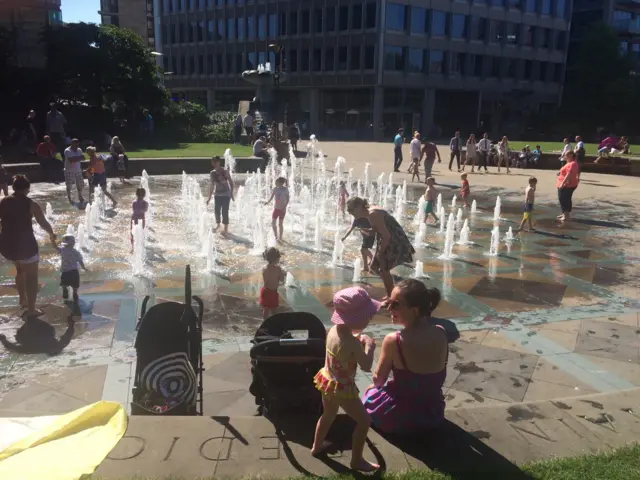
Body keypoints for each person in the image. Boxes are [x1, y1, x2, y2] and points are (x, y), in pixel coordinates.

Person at [363, 280, 454, 434]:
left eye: (396, 304)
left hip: (398, 417)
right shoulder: (441, 332)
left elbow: (378, 380)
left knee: (369, 393)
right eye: (388, 302)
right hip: (432, 414)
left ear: (415, 310)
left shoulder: (394, 340)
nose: (389, 308)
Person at [312, 286, 380, 472]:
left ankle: (316, 447)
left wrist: (357, 338)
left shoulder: (334, 330)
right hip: (343, 388)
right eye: (367, 316)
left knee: (328, 415)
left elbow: (344, 346)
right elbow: (366, 365)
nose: (370, 319)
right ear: (356, 318)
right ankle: (356, 460)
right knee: (364, 421)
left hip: (327, 381)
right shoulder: (352, 343)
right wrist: (369, 346)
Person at [0, 175, 57, 319]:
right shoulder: (31, 204)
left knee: (19, 270)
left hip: (7, 245)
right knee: (32, 277)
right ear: (27, 189)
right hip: (26, 246)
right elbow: (43, 222)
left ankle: (22, 300)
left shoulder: (3, 202)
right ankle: (31, 309)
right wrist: (51, 234)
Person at [346, 197, 415, 299]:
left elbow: (387, 235)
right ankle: (393, 288)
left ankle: (391, 297)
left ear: (359, 207)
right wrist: (369, 231)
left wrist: (380, 253)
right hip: (388, 238)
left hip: (392, 240)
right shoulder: (370, 211)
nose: (351, 213)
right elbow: (380, 227)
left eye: (352, 210)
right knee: (374, 267)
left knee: (383, 269)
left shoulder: (372, 214)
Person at [206, 156, 234, 235]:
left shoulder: (225, 171)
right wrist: (209, 198)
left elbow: (231, 182)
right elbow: (212, 185)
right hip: (217, 194)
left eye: (215, 161)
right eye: (213, 162)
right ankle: (218, 225)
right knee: (217, 211)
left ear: (219, 162)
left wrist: (231, 193)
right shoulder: (212, 173)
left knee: (225, 211)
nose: (214, 163)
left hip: (226, 194)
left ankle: (225, 228)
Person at [58, 234, 87, 303]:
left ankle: (66, 290)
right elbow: (80, 261)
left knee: (64, 283)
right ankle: (74, 293)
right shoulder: (76, 252)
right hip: (74, 272)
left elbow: (55, 247)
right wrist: (84, 268)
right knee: (75, 285)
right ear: (73, 243)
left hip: (65, 271)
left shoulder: (62, 250)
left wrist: (52, 240)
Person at [259, 247, 286, 319]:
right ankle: (275, 322)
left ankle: (264, 324)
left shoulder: (264, 268)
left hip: (265, 291)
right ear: (277, 259)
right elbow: (282, 280)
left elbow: (267, 279)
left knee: (266, 309)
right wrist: (283, 273)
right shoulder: (278, 269)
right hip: (273, 292)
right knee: (274, 309)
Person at [264, 177, 290, 241]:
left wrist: (285, 207)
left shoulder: (285, 189)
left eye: (276, 182)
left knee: (280, 224)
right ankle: (276, 236)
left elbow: (288, 199)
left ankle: (280, 237)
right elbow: (272, 196)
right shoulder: (275, 189)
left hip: (282, 209)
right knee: (273, 223)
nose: (275, 183)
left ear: (281, 183)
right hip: (276, 209)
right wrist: (268, 202)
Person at [557, 151, 580, 222]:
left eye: (566, 155)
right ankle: (565, 213)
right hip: (568, 184)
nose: (565, 156)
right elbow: (567, 171)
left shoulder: (573, 163)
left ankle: (566, 216)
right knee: (566, 199)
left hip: (567, 185)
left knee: (563, 199)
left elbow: (569, 174)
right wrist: (560, 172)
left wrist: (563, 183)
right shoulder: (570, 163)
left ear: (571, 155)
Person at [63, 138, 85, 204]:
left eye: (77, 145)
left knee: (81, 184)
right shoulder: (67, 150)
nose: (77, 146)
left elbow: (83, 158)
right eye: (75, 145)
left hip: (78, 170)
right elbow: (72, 160)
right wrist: (78, 158)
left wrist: (76, 158)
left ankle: (80, 196)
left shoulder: (79, 149)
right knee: (69, 185)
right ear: (72, 144)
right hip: (69, 170)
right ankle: (69, 197)